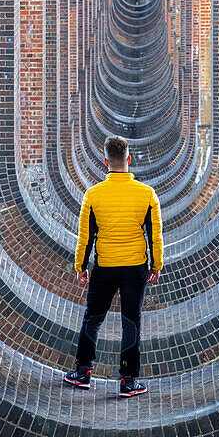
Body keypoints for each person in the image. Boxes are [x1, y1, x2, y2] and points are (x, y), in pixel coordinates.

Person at [64, 134, 164, 397]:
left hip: (105, 266)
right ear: (128, 160)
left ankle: (83, 372)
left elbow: (86, 236)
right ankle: (127, 381)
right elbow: (155, 235)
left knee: (93, 318)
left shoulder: (93, 195)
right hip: (135, 267)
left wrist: (81, 266)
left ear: (105, 161)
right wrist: (156, 265)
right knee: (131, 321)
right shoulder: (146, 194)